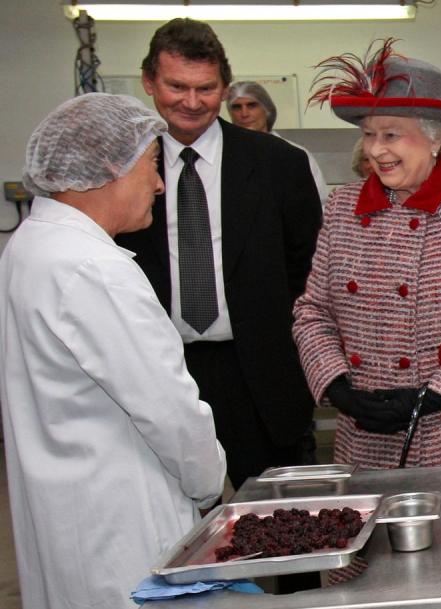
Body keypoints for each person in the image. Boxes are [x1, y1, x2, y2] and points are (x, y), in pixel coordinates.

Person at [0, 93, 226, 609]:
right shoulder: (94, 269)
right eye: (151, 164)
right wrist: (210, 483)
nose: (159, 183)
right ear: (110, 166)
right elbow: (169, 411)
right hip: (120, 527)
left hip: (69, 515)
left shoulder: (31, 245)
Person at [294, 39, 441, 469]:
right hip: (368, 435)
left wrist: (435, 393)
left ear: (435, 139)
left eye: (391, 135)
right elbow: (313, 312)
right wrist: (339, 389)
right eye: (368, 135)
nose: (376, 150)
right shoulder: (344, 205)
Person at [116, 18, 322, 488]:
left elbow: (308, 273)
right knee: (176, 524)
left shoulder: (279, 165)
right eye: (176, 86)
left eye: (206, 88)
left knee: (283, 522)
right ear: (149, 81)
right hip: (162, 372)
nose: (191, 102)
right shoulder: (122, 170)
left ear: (224, 87)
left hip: (261, 376)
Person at [227, 80, 329, 204]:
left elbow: (319, 203)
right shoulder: (224, 155)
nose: (244, 113)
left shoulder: (294, 154)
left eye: (252, 105)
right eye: (237, 107)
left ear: (267, 109)